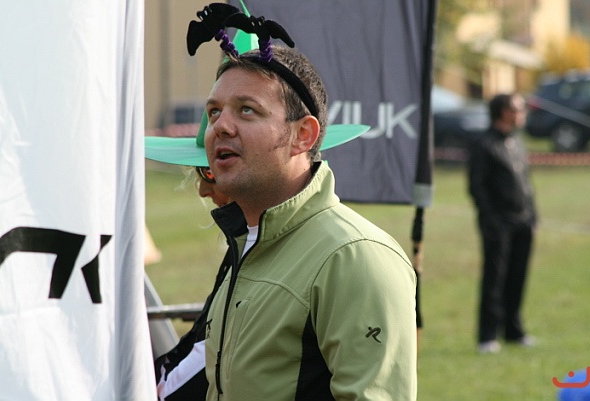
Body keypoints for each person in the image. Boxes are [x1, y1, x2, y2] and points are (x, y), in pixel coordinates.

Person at [147, 5, 417, 400]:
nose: (220, 126)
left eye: (247, 110)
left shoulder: (354, 257)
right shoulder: (248, 245)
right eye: (214, 111)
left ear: (303, 135)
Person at [468, 93, 538, 354]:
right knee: (494, 279)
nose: (523, 113)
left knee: (518, 276)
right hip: (498, 225)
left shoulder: (518, 141)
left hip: (523, 222)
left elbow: (526, 183)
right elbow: (477, 187)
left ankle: (513, 332)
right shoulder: (484, 144)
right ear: (504, 112)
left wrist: (533, 215)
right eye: (518, 109)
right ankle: (488, 336)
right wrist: (492, 221)